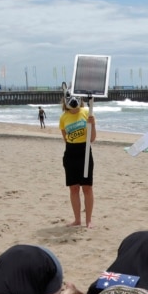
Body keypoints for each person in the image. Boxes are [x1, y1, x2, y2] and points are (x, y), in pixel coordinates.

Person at [59, 94, 96, 228]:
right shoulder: (63, 117)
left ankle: (88, 220)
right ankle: (77, 219)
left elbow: (92, 139)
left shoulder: (87, 112)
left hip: (85, 152)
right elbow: (66, 139)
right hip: (70, 153)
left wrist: (92, 124)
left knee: (87, 188)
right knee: (74, 188)